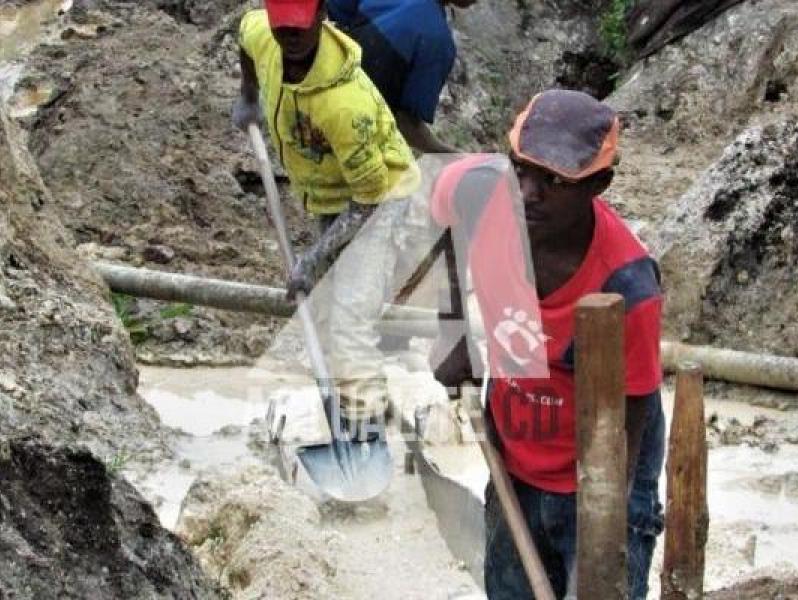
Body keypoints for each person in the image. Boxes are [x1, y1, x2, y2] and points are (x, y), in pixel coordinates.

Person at [428, 89, 665, 599]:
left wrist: (602, 530)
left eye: (554, 181)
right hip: (516, 445)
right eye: (520, 170)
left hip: (604, 459)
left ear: (598, 184)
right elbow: (440, 218)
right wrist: (451, 329)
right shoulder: (476, 191)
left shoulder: (626, 288)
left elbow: (632, 416)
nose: (527, 193)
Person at [233, 0, 419, 436]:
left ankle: (364, 436)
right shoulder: (265, 35)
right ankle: (345, 409)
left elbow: (367, 201)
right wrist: (248, 97)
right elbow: (246, 37)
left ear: (321, 15)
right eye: (283, 29)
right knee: (322, 312)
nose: (290, 39)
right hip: (328, 193)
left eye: (300, 27)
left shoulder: (344, 104)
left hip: (380, 200)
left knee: (351, 322)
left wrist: (313, 260)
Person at [326, 0, 477, 154]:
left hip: (320, 85)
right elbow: (406, 123)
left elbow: (331, 11)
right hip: (347, 134)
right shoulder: (438, 43)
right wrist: (448, 153)